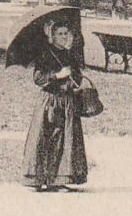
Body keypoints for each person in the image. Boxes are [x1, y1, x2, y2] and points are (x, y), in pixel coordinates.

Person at [21, 14, 88, 192]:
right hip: (50, 101)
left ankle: (58, 179)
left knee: (64, 140)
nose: (64, 37)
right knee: (45, 138)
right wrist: (58, 75)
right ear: (52, 36)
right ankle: (37, 179)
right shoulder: (45, 54)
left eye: (66, 33)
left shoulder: (68, 54)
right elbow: (38, 78)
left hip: (67, 101)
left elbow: (76, 75)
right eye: (60, 34)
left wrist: (75, 81)